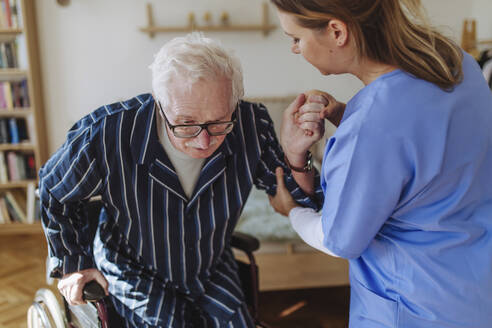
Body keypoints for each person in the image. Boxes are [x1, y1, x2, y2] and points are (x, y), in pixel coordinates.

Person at [39, 32, 324, 327]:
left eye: (217, 123)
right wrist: (73, 265)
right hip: (133, 267)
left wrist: (295, 152)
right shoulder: (108, 133)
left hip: (209, 265)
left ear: (235, 102)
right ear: (160, 104)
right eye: (186, 124)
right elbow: (53, 190)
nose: (203, 142)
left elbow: (296, 200)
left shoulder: (251, 124)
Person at [268, 0, 492, 327]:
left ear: (336, 31)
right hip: (475, 293)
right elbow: (428, 143)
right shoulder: (458, 63)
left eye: (296, 38)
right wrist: (349, 115)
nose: (294, 49)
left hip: (414, 310)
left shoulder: (372, 125)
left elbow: (339, 240)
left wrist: (292, 211)